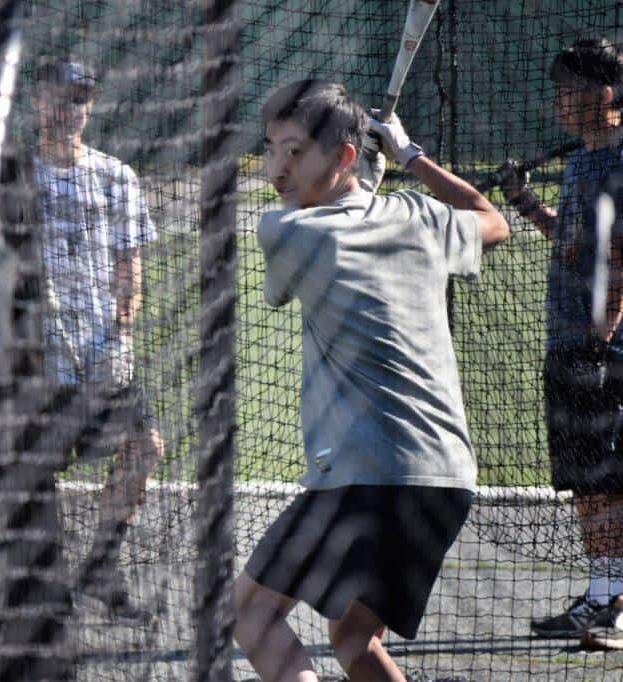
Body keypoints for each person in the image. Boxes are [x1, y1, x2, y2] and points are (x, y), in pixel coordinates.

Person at [233, 79, 508, 681]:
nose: (276, 168)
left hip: (365, 475)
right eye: (271, 148)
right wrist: (411, 158)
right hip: (445, 478)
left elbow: (326, 231)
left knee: (252, 615)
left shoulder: (287, 233)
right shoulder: (419, 218)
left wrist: (369, 182)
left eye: (296, 151)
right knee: (355, 638)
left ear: (344, 157)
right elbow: (492, 220)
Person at [498, 37, 623, 650]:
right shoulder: (580, 164)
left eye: (568, 90)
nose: (558, 103)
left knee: (613, 477)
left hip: (607, 349)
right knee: (587, 480)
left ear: (605, 95)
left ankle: (617, 604)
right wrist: (523, 201)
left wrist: (606, 332)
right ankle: (602, 596)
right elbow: (571, 244)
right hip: (571, 339)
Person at [29, 58, 164, 624]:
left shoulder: (116, 176)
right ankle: (39, 583)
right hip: (35, 358)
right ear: (37, 101)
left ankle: (101, 566)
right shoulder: (13, 174)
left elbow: (128, 266)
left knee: (145, 448)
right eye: (60, 98)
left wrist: (122, 335)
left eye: (80, 100)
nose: (70, 110)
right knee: (36, 467)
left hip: (101, 350)